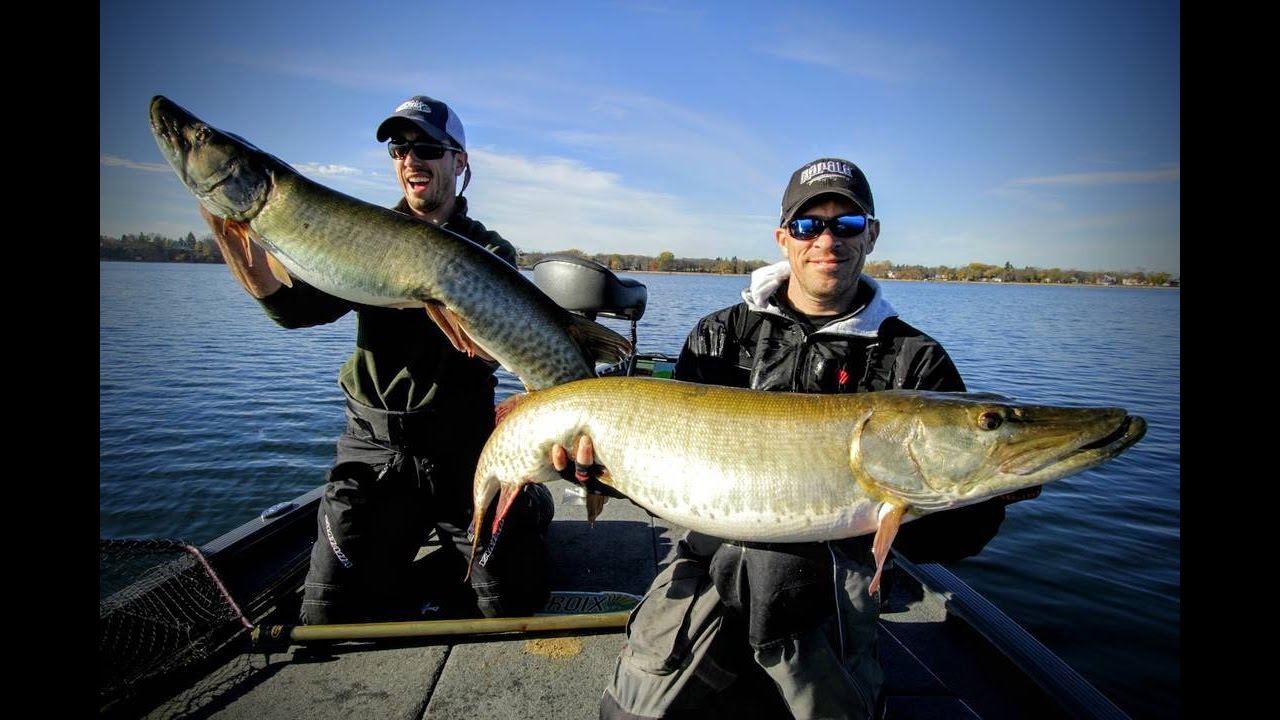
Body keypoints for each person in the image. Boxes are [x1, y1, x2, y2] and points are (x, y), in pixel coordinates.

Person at [554, 157, 1031, 719]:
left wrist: (980, 498)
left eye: (846, 224)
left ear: (871, 235)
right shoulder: (718, 335)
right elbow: (670, 479)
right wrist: (598, 475)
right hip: (709, 555)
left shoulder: (914, 361)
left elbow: (935, 544)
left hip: (834, 573)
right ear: (784, 238)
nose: (827, 240)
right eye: (809, 225)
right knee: (634, 712)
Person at [205, 94, 554, 625]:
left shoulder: (491, 251)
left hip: (462, 446)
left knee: (511, 601)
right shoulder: (361, 238)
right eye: (399, 148)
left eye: (427, 148)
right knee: (326, 614)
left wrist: (490, 350)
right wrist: (231, 231)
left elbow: (496, 354)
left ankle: (529, 508)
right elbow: (293, 311)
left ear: (459, 162)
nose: (411, 159)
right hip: (373, 448)